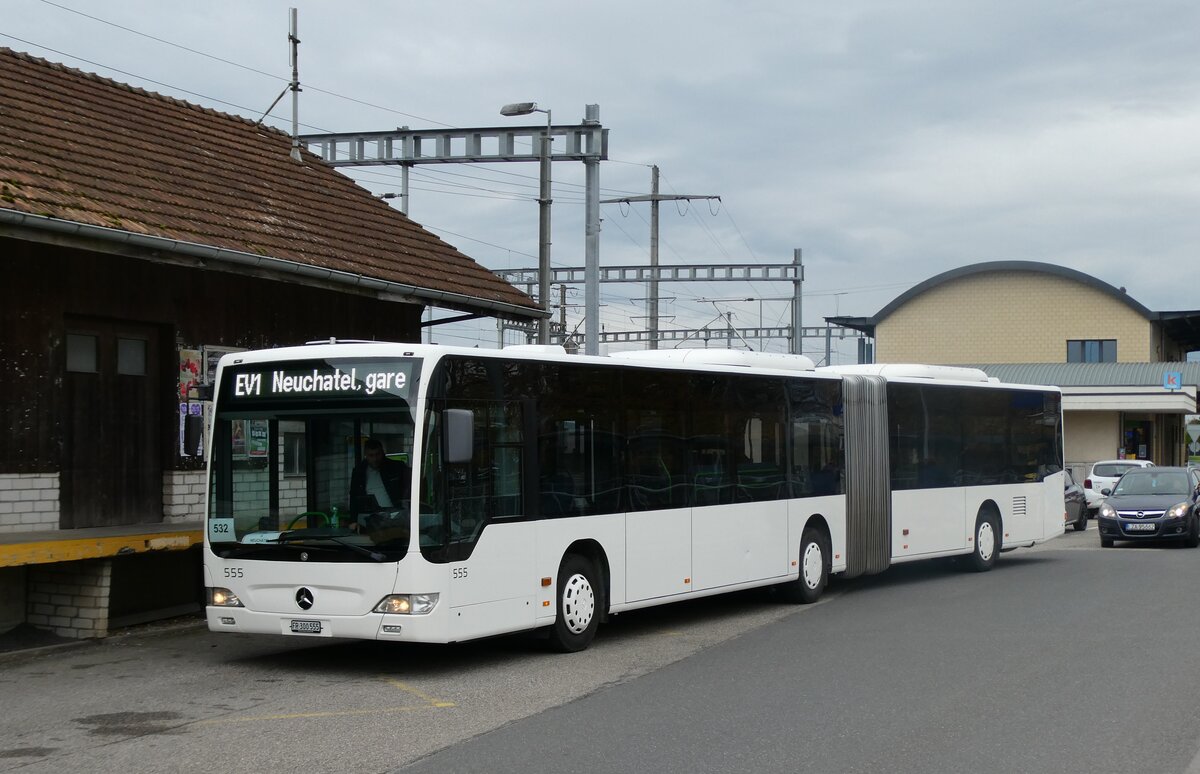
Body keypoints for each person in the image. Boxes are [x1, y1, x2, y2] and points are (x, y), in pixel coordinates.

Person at [349, 438, 411, 527]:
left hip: (396, 516)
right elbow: (354, 497)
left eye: (377, 454)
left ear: (383, 453)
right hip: (369, 519)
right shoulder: (359, 472)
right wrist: (353, 520)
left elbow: (409, 492)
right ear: (365, 455)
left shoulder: (396, 467)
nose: (375, 459)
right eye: (371, 455)